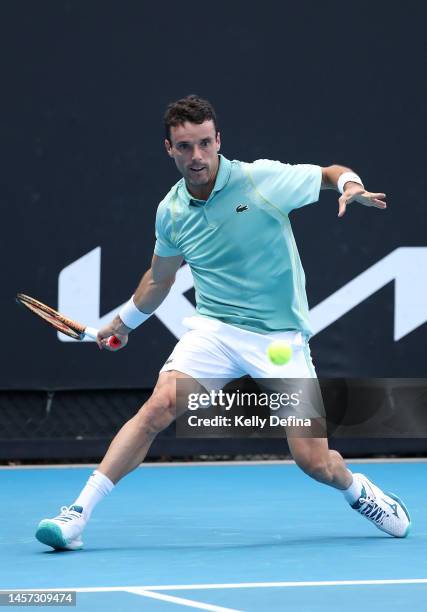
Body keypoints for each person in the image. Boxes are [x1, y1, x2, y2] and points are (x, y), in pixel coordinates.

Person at [35, 95, 410, 550]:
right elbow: (159, 278)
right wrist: (124, 323)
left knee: (314, 462)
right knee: (158, 407)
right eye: (184, 146)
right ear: (169, 149)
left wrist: (350, 185)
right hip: (215, 330)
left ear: (218, 142)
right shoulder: (171, 212)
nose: (196, 156)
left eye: (204, 144)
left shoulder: (260, 181)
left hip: (280, 341)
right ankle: (77, 513)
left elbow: (330, 174)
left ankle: (359, 491)